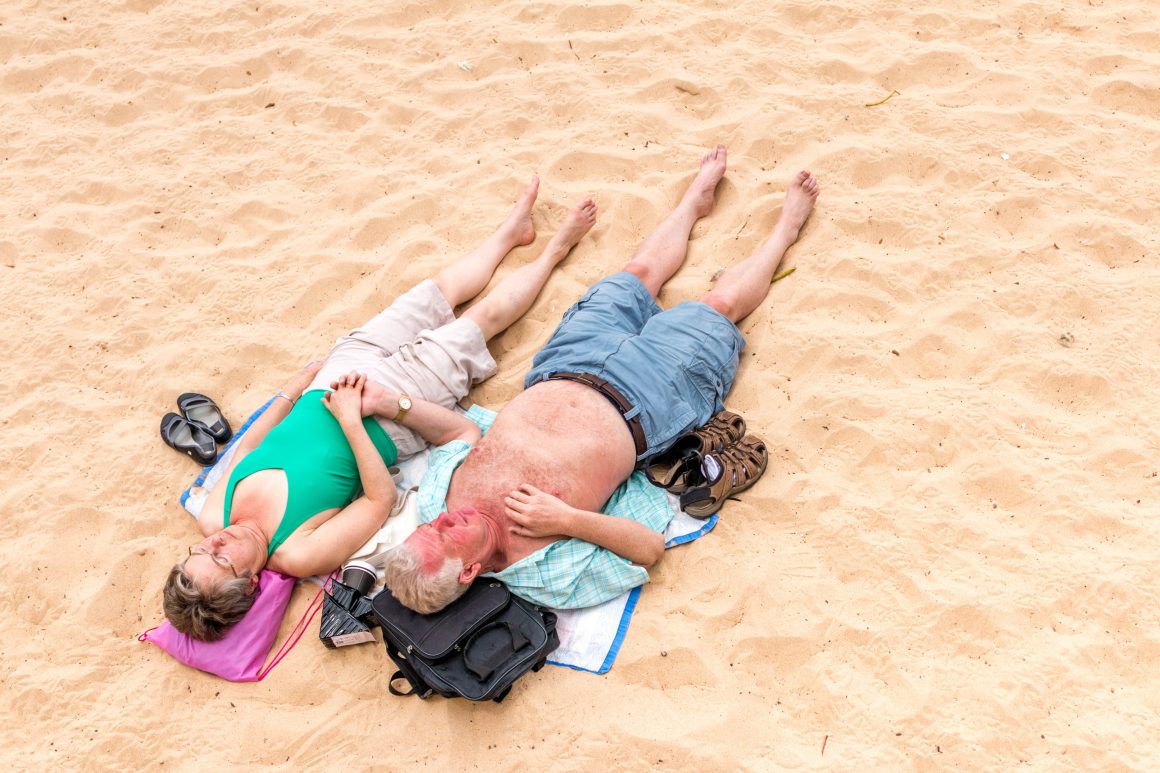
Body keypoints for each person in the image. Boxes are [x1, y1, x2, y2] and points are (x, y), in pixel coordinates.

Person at [380, 145, 820, 613]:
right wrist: (567, 519)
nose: (445, 520)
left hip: (566, 361)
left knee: (637, 275)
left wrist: (392, 405)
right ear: (469, 571)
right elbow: (649, 548)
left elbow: (462, 433)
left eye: (432, 526)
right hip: (646, 400)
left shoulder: (440, 502)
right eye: (446, 534)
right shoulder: (540, 569)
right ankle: (786, 230)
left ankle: (694, 203)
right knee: (718, 307)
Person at [162, 178, 599, 640]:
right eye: (221, 559)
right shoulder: (296, 553)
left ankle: (511, 234)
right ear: (250, 582)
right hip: (383, 419)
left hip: (332, 382)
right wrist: (352, 419)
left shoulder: (213, 517)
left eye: (201, 551)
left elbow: (250, 444)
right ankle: (556, 250)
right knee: (480, 321)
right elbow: (379, 500)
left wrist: (294, 389)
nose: (216, 542)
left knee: (435, 293)